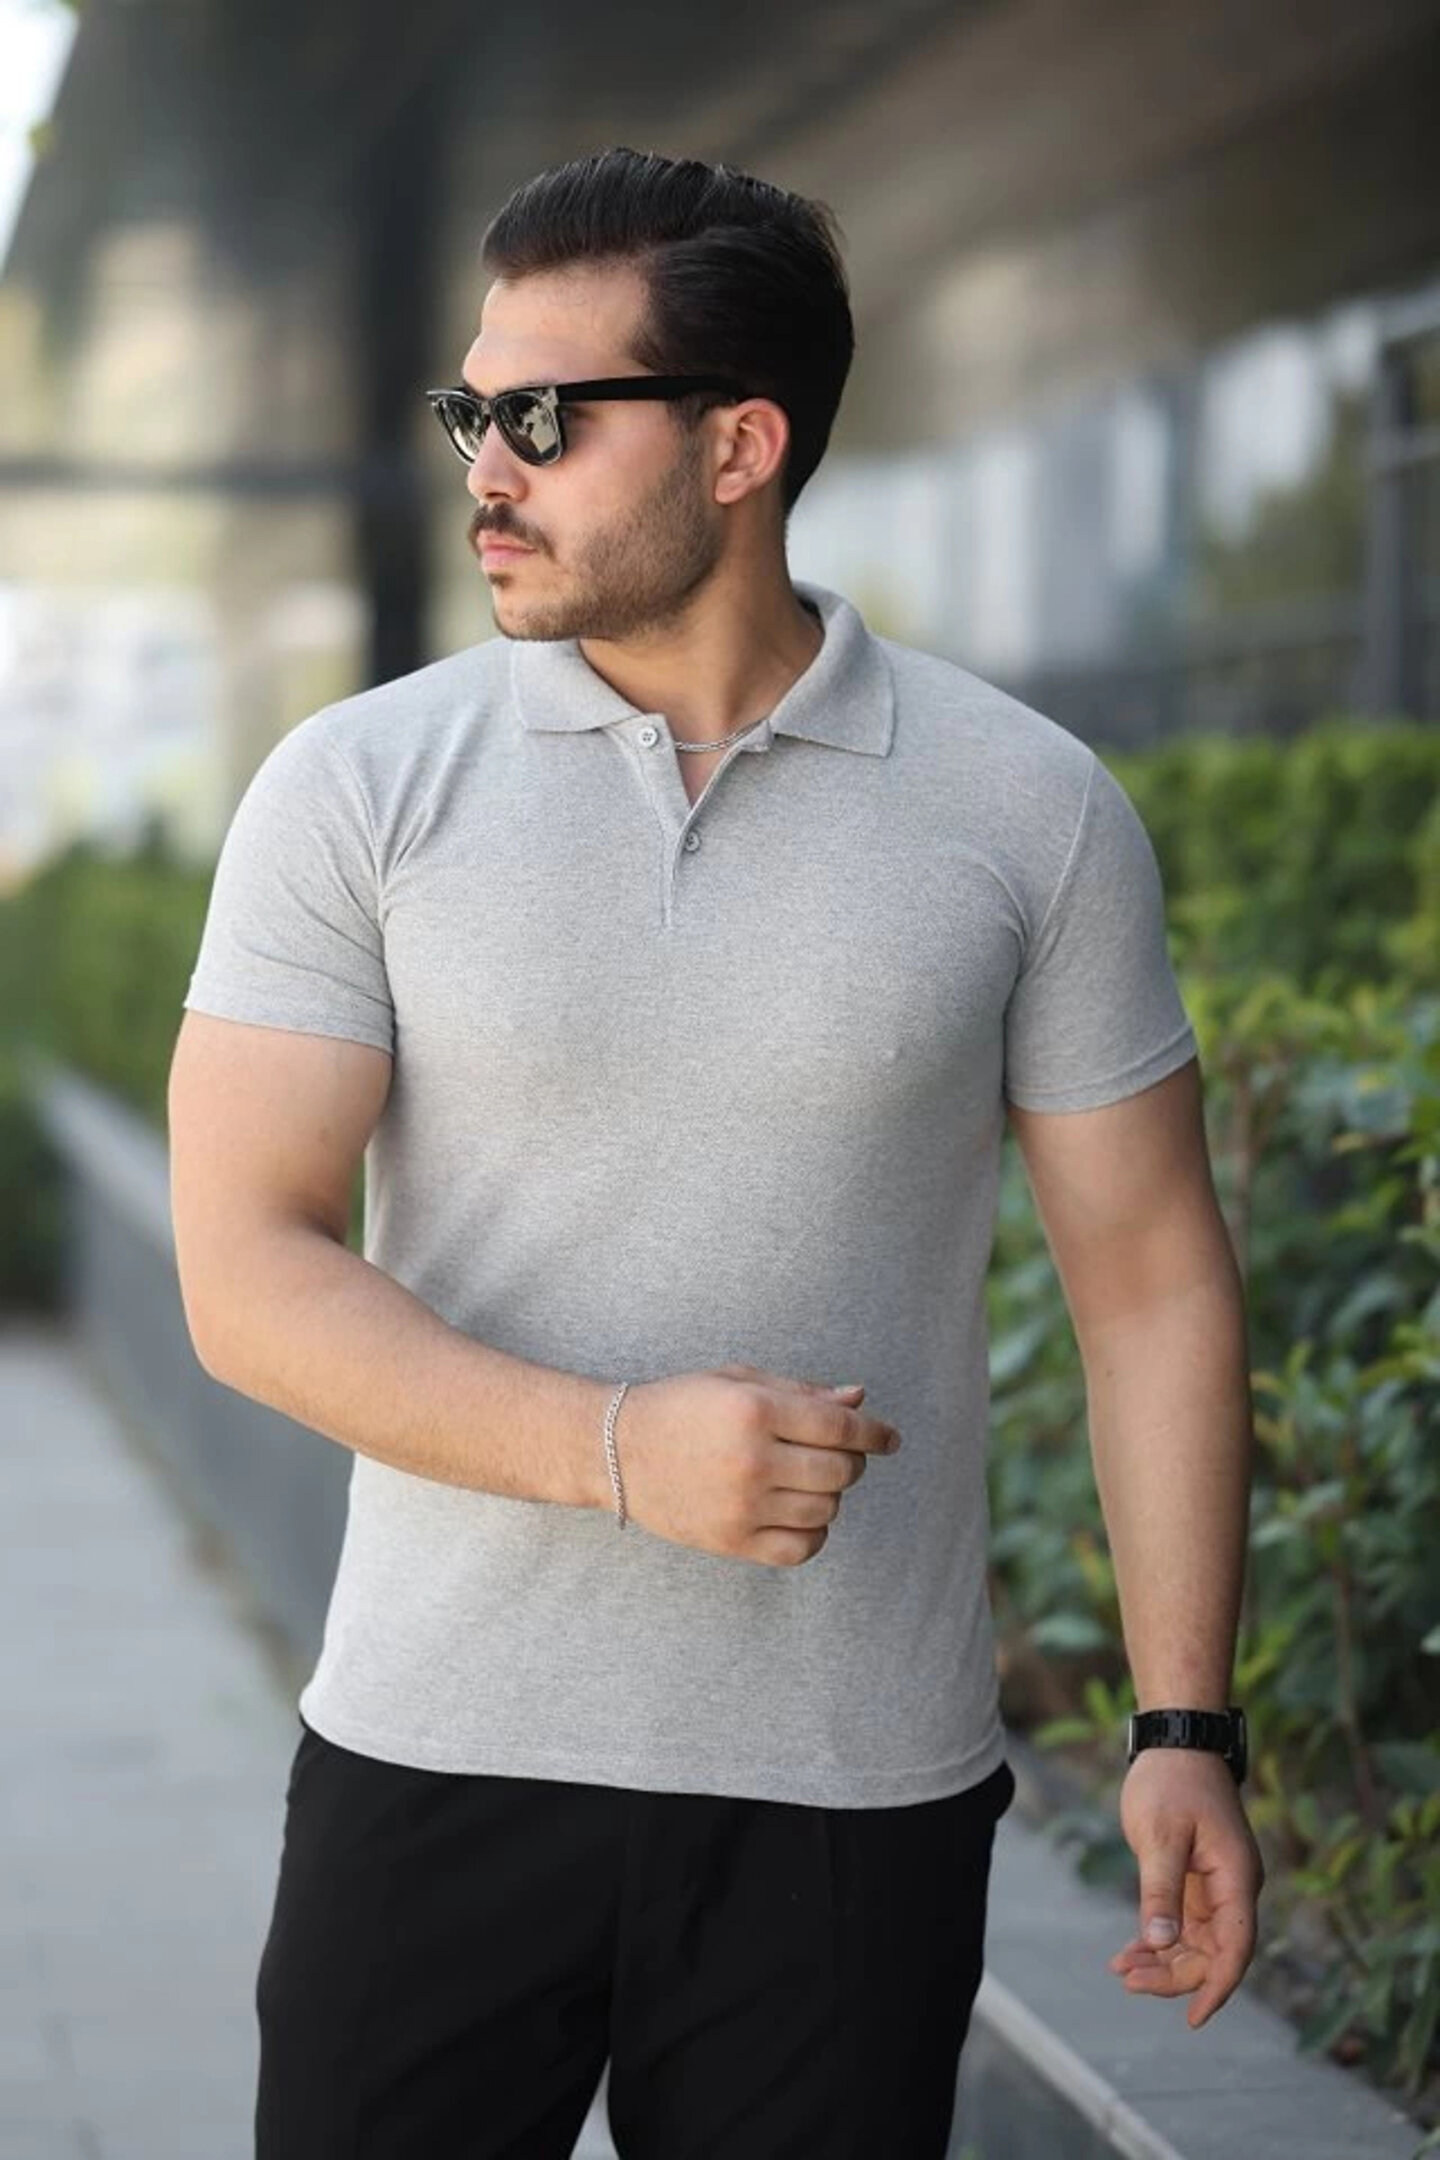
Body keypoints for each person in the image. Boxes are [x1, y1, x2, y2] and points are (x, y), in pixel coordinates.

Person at [167, 145, 1263, 2160]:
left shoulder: (1029, 810)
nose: (488, 470)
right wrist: (616, 1451)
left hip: (851, 1800)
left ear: (741, 444)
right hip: (434, 1757)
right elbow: (244, 1269)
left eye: (547, 421)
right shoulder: (357, 788)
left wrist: (1184, 1727)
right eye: (473, 413)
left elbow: (1154, 1282)